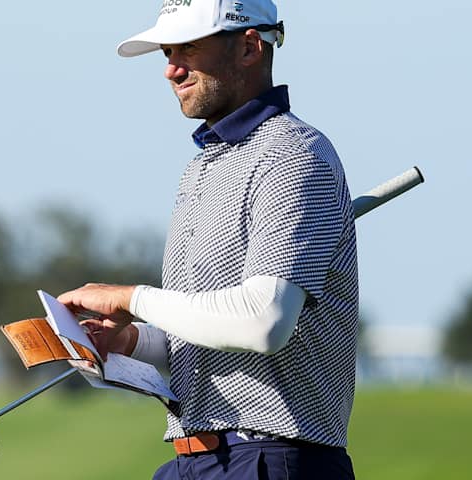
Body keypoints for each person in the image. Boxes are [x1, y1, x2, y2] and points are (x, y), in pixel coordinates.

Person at [56, 1, 358, 478]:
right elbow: (207, 333)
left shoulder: (296, 156)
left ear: (249, 48)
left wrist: (131, 297)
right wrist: (131, 342)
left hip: (271, 458)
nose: (171, 70)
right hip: (196, 459)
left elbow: (264, 322)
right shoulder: (201, 167)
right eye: (168, 52)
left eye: (189, 49)